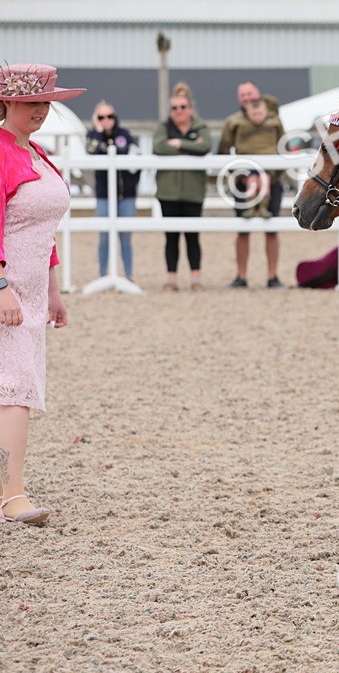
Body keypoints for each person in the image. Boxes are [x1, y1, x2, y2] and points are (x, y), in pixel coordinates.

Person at [0, 63, 80, 525]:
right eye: (32, 103)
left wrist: (53, 289)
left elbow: (43, 232)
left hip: (29, 292)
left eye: (46, 103)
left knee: (14, 389)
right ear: (8, 102)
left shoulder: (38, 153)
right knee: (14, 392)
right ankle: (13, 495)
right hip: (7, 292)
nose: (41, 111)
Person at [218, 98, 285, 288]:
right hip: (243, 176)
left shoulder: (274, 121)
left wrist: (276, 173)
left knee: (272, 228)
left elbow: (283, 146)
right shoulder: (234, 122)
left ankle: (273, 276)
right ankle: (241, 276)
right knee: (242, 228)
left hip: (271, 177)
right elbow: (223, 149)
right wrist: (235, 174)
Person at [153, 83, 212, 291]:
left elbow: (205, 146)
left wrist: (178, 144)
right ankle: (172, 279)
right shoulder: (163, 126)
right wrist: (189, 149)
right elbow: (158, 147)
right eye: (174, 107)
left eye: (183, 107)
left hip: (193, 192)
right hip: (168, 192)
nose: (178, 111)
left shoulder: (201, 126)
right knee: (171, 237)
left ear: (190, 108)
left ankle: (196, 279)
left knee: (192, 237)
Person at [85, 100, 140, 279]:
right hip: (104, 196)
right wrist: (99, 133)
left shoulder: (125, 135)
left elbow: (135, 161)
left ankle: (129, 275)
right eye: (101, 117)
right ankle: (103, 275)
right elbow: (90, 152)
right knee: (104, 238)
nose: (106, 120)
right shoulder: (92, 135)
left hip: (126, 196)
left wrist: (133, 185)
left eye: (109, 116)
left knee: (125, 237)